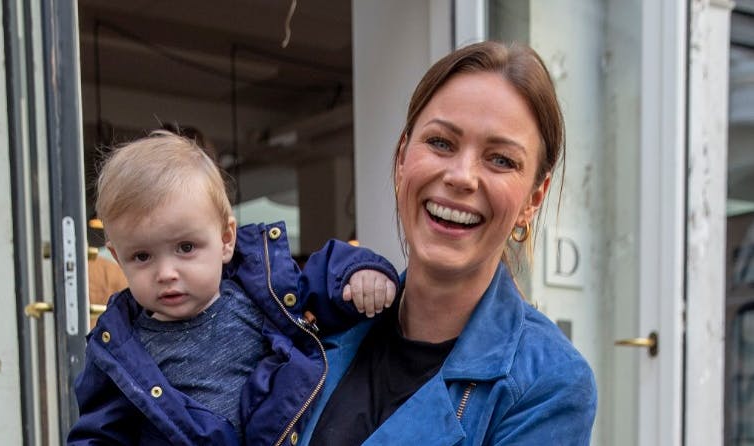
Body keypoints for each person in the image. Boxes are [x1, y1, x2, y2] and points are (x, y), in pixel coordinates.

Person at [300, 41, 597, 445]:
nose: (461, 176)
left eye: (501, 159)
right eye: (441, 143)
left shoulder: (548, 383)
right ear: (403, 156)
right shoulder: (332, 318)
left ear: (533, 200)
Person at [67, 131, 399, 445]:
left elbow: (323, 273)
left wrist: (360, 274)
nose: (166, 273)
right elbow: (98, 433)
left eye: (186, 248)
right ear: (117, 257)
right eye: (142, 256)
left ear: (226, 240)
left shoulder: (261, 289)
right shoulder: (119, 349)